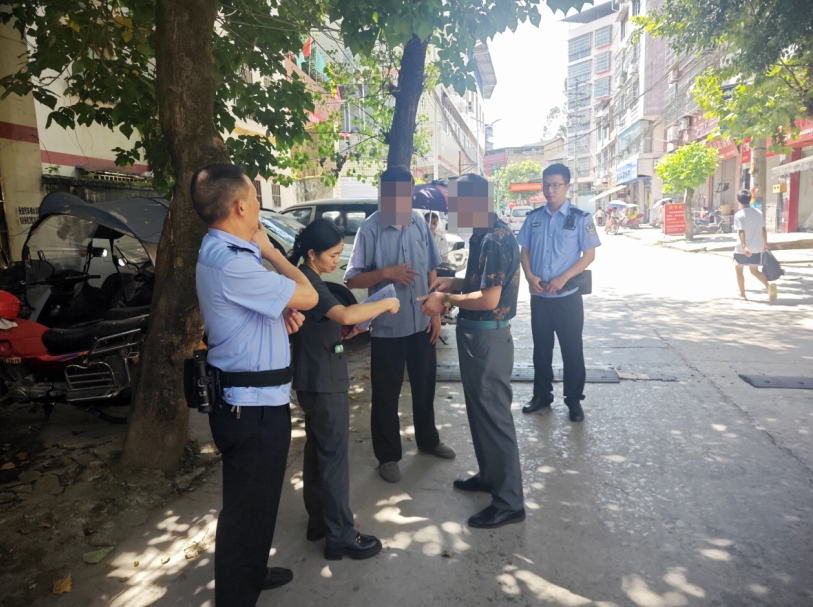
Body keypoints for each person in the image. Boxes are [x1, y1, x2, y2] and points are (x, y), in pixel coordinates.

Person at [193, 163, 318, 607]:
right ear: (241, 206)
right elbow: (310, 295)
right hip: (250, 408)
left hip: (255, 401)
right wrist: (273, 252)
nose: (261, 210)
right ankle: (236, 595)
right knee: (246, 508)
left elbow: (249, 310)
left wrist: (276, 311)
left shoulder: (225, 252)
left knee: (258, 501)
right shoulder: (234, 261)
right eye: (257, 200)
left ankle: (252, 570)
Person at [288, 219, 400, 560]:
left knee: (317, 452)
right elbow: (347, 314)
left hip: (312, 376)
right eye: (333, 255)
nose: (337, 261)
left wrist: (340, 332)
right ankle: (341, 536)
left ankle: (319, 522)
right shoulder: (310, 283)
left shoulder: (304, 278)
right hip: (324, 380)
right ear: (312, 253)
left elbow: (324, 324)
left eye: (340, 254)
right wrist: (385, 304)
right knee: (333, 458)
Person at [418, 173, 524, 529]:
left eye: (458, 204)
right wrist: (452, 282)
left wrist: (445, 298)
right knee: (480, 414)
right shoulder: (481, 235)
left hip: (488, 339)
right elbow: (479, 283)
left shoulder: (496, 238)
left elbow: (489, 299)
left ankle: (510, 501)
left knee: (494, 418)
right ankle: (490, 476)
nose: (453, 211)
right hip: (476, 335)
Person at [345, 165, 455, 484]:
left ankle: (428, 440)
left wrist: (436, 312)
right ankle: (388, 455)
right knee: (385, 394)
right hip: (388, 328)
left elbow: (432, 268)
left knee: (425, 386)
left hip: (422, 323)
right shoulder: (370, 229)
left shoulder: (419, 222)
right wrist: (386, 273)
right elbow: (352, 280)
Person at [517, 163, 601, 423]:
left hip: (567, 297)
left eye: (555, 185)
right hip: (540, 297)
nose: (550, 190)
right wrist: (529, 276)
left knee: (572, 350)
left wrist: (563, 277)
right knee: (541, 350)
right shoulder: (534, 218)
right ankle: (542, 396)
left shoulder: (581, 218)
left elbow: (589, 255)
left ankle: (573, 400)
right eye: (546, 185)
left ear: (567, 186)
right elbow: (525, 251)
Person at [733, 188, 777, 301]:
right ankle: (768, 287)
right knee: (755, 271)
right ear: (750, 199)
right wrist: (765, 243)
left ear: (738, 201)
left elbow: (741, 231)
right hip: (756, 248)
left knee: (739, 271)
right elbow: (764, 230)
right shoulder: (758, 213)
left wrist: (744, 247)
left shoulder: (739, 215)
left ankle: (743, 294)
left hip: (741, 249)